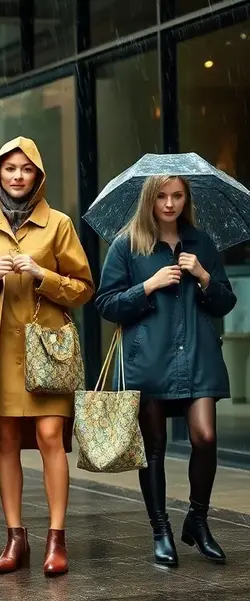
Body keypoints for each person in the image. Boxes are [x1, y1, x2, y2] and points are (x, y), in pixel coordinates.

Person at [0, 136, 94, 576]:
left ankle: (56, 539)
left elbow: (83, 288)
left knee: (49, 439)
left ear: (37, 176)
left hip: (49, 350)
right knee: (5, 442)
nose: (17, 176)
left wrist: (43, 275)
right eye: (9, 169)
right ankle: (15, 538)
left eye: (25, 169)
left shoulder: (58, 224)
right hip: (1, 353)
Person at [96, 174, 235, 566]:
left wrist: (204, 276)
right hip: (148, 358)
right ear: (150, 199)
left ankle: (198, 519)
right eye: (162, 196)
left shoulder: (202, 243)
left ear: (185, 199)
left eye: (177, 195)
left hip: (198, 355)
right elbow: (106, 304)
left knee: (205, 437)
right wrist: (148, 286)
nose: (170, 203)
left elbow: (224, 302)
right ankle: (161, 530)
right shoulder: (127, 244)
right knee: (154, 447)